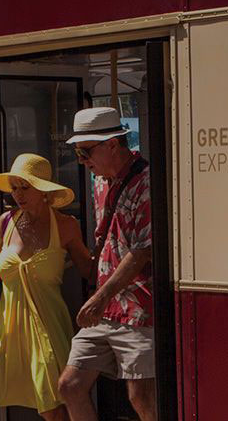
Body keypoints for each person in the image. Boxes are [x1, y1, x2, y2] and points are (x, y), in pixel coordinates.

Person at [0, 154, 97, 421]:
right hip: (5, 327)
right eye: (14, 187)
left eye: (25, 187)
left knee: (52, 411)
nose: (18, 194)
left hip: (45, 326)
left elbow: (89, 270)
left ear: (44, 190)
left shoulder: (66, 226)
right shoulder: (6, 221)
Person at [57, 107, 156, 421]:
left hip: (139, 307)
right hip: (106, 307)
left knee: (141, 397)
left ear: (113, 144)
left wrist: (99, 297)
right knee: (70, 385)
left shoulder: (146, 183)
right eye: (77, 153)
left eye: (85, 152)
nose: (82, 161)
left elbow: (141, 251)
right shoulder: (99, 183)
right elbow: (107, 239)